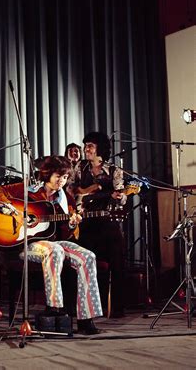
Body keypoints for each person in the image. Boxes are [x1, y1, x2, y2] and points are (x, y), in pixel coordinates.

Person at [0, 155, 102, 335]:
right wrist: (15, 212)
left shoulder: (66, 200)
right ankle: (54, 307)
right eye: (58, 176)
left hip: (52, 242)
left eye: (65, 178)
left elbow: (66, 233)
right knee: (54, 249)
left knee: (88, 256)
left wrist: (72, 224)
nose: (61, 182)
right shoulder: (27, 189)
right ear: (47, 174)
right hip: (25, 245)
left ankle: (86, 318)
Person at [68, 131, 127, 318]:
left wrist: (121, 196)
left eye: (90, 146)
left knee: (117, 262)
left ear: (100, 149)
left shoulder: (114, 171)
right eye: (85, 146)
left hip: (107, 222)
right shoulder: (79, 167)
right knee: (77, 262)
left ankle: (117, 308)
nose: (86, 149)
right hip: (84, 224)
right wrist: (76, 202)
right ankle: (79, 307)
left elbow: (122, 198)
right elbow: (70, 189)